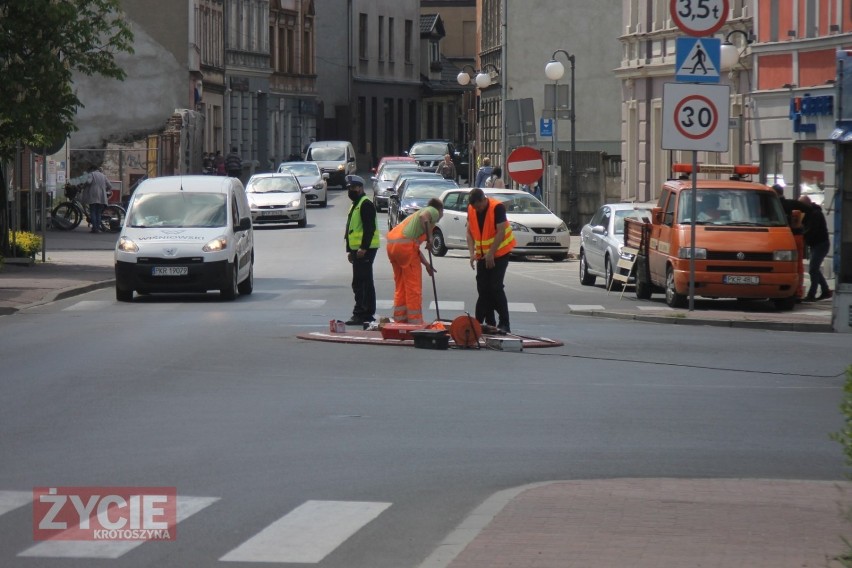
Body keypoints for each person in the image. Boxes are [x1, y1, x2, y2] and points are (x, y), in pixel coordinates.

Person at [386, 198, 444, 324]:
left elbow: (414, 249)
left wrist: (427, 264)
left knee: (401, 286)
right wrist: (430, 238)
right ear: (440, 209)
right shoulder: (433, 211)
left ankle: (400, 320)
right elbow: (424, 217)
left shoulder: (414, 218)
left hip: (393, 245)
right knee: (413, 287)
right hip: (404, 247)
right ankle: (415, 322)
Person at [466, 187, 516, 333]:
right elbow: (469, 232)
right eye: (475, 208)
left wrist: (491, 254)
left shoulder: (497, 208)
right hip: (482, 255)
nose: (478, 210)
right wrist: (471, 254)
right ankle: (488, 323)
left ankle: (504, 323)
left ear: (483, 199)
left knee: (495, 287)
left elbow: (500, 232)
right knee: (483, 289)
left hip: (500, 253)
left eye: (479, 206)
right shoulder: (471, 209)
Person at [344, 175, 380, 326]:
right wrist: (350, 251)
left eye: (353, 188)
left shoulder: (365, 204)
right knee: (364, 281)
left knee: (361, 282)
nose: (350, 190)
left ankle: (361, 313)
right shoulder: (356, 204)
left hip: (365, 249)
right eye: (349, 188)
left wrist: (363, 248)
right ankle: (366, 312)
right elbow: (350, 229)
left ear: (360, 188)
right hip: (357, 250)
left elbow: (369, 228)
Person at [798, 195, 832, 301]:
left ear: (806, 204)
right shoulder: (809, 213)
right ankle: (825, 290)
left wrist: (802, 236)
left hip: (821, 244)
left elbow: (812, 230)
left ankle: (811, 294)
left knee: (813, 269)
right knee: (815, 269)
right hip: (816, 244)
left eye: (801, 205)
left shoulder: (815, 214)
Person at [81, 165, 112, 233]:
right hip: (102, 196)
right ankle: (98, 227)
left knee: (93, 211)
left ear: (92, 169)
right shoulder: (103, 176)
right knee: (98, 212)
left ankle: (94, 228)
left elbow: (88, 182)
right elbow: (110, 185)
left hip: (93, 195)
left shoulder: (91, 174)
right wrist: (104, 189)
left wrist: (83, 185)